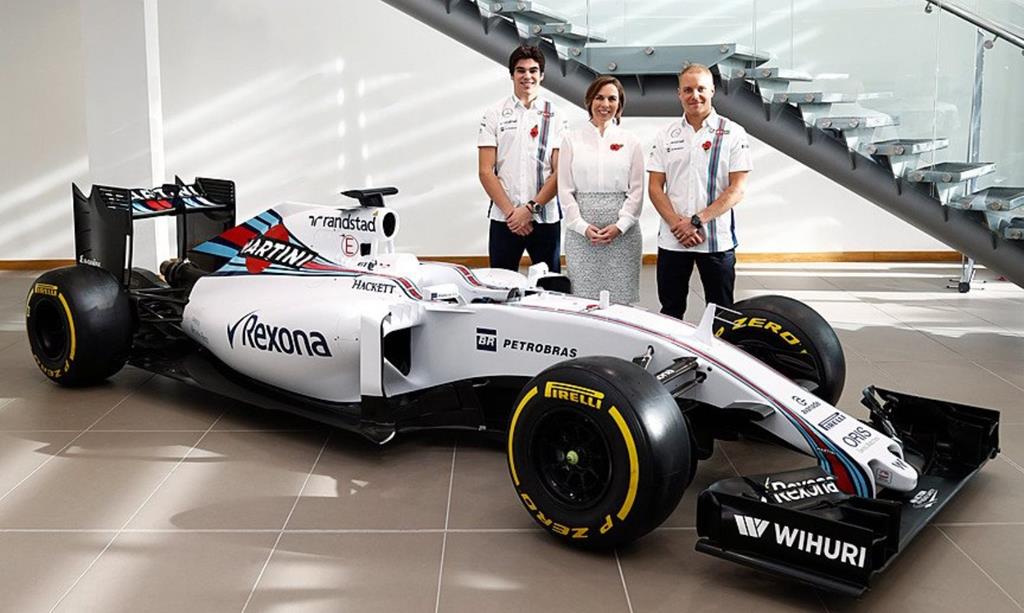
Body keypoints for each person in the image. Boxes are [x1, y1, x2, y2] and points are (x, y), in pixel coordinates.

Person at [648, 63, 752, 319]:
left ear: (712, 91)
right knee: (670, 312)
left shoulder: (733, 133)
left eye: (701, 89)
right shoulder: (666, 135)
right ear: (679, 94)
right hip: (673, 240)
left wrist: (696, 221)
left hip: (716, 241)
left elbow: (737, 189)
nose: (695, 95)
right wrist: (678, 225)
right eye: (688, 90)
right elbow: (655, 187)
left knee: (721, 313)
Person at [478, 45, 568, 272]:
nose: (527, 76)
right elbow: (485, 171)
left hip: (545, 217)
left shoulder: (556, 115)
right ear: (512, 75)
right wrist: (512, 214)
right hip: (505, 218)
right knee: (500, 285)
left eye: (533, 70)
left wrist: (529, 210)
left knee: (549, 287)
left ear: (542, 75)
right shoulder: (494, 113)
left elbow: (560, 172)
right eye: (521, 70)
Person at [558, 76, 644, 303]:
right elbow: (564, 189)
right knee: (583, 299)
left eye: (612, 99)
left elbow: (637, 190)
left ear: (619, 104)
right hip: (581, 235)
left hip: (623, 235)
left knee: (622, 301)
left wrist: (621, 226)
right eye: (599, 98)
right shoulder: (571, 140)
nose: (605, 104)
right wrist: (581, 226)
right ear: (589, 100)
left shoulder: (631, 141)